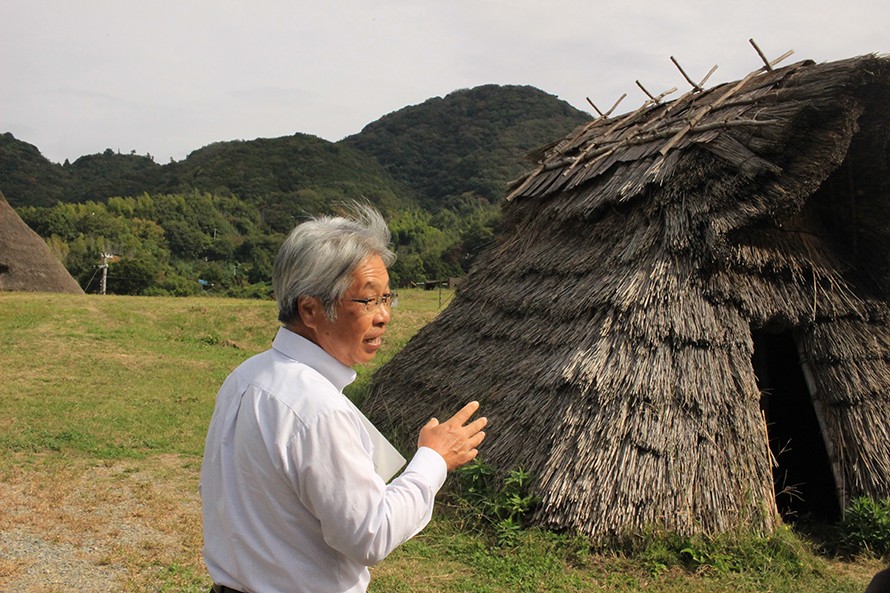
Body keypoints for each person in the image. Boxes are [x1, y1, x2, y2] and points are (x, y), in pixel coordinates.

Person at [200, 203, 487, 593]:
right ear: (311, 309)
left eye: (387, 298)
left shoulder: (246, 376)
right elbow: (370, 534)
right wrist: (433, 459)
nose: (384, 315)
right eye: (368, 301)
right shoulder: (317, 409)